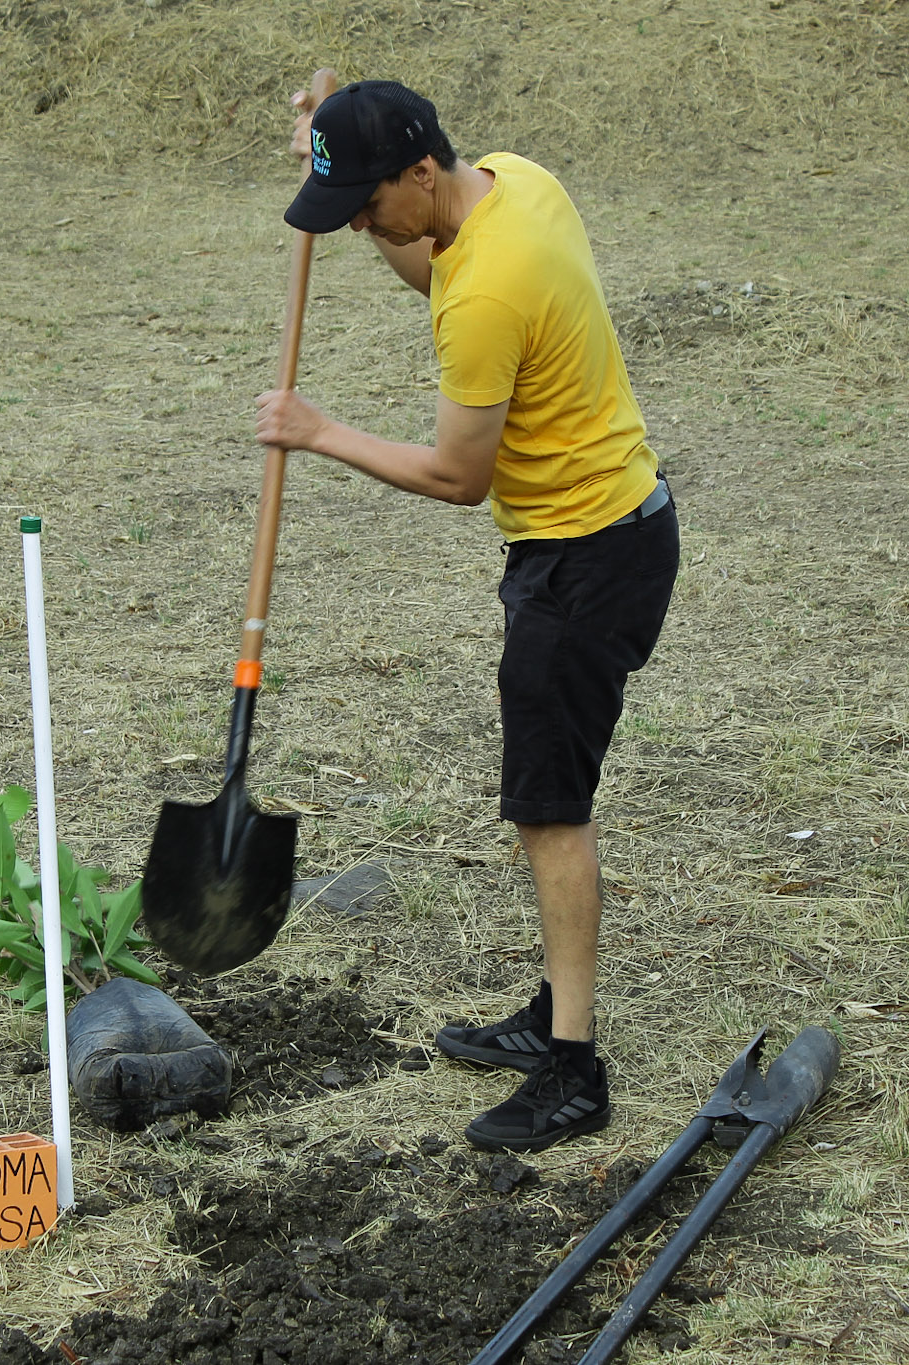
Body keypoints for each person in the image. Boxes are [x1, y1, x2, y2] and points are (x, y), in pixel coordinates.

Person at [256, 82, 679, 1154]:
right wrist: (330, 143)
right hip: (609, 530)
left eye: (363, 202)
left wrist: (318, 431)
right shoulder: (515, 183)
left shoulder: (487, 289)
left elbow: (454, 474)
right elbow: (428, 262)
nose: (357, 224)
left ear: (420, 175)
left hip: (584, 559)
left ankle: (572, 1067)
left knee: (550, 809)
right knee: (545, 798)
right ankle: (553, 1013)